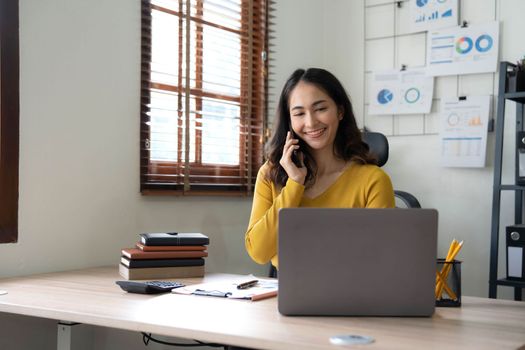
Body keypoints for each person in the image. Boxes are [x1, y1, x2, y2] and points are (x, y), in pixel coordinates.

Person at [244, 68, 395, 270]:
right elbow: (259, 252)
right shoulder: (271, 174)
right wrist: (294, 184)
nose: (311, 122)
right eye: (299, 113)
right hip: (288, 294)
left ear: (340, 111)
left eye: (321, 109)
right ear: (290, 120)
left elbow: (380, 258)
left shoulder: (374, 180)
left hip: (354, 295)